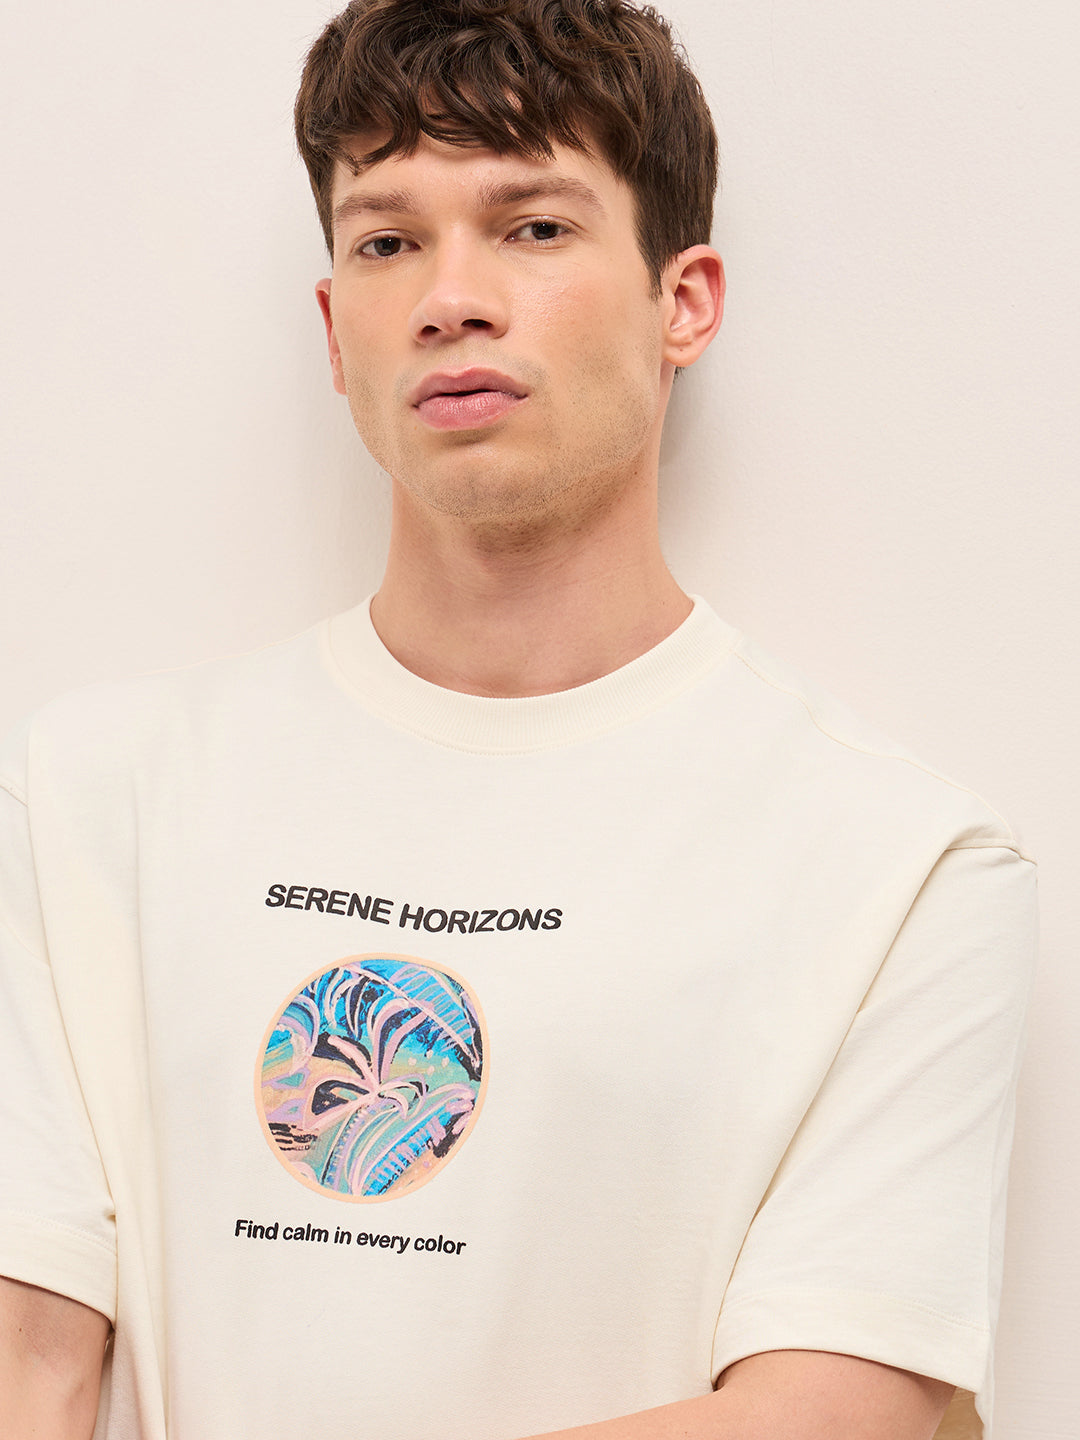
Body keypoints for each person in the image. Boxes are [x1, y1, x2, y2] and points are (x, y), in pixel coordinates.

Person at [0, 2, 1036, 1437]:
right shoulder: (91, 797)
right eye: (387, 241)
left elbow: (836, 1416)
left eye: (532, 227)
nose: (451, 298)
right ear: (335, 332)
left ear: (684, 303)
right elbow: (27, 1361)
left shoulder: (900, 868)